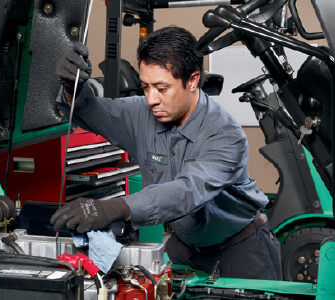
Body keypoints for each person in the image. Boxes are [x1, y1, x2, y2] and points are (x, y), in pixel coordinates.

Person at [50, 26, 282, 280]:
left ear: (192, 80)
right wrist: (74, 89)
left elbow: (186, 191)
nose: (151, 99)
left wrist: (113, 208)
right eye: (145, 87)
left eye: (161, 88)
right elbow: (95, 113)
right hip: (182, 250)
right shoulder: (141, 113)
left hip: (241, 252)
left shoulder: (225, 135)